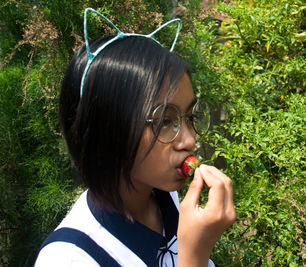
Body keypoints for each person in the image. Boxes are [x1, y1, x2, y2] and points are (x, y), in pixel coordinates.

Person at [34, 8, 235, 267]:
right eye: (164, 121)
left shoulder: (168, 200)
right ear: (107, 130)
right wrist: (194, 256)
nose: (189, 140)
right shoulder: (69, 258)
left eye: (190, 117)